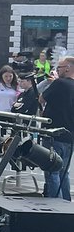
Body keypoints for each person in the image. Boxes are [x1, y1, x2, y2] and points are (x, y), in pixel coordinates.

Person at [40, 54, 74, 200]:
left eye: (58, 68)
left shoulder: (59, 83)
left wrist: (53, 83)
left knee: (52, 169)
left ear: (67, 68)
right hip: (70, 135)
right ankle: (66, 203)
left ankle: (55, 204)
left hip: (54, 132)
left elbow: (41, 98)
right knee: (63, 171)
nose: (57, 70)